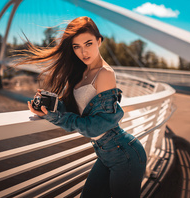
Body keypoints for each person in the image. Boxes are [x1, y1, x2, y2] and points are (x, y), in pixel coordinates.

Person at [17, 16, 147, 198]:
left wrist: (56, 118)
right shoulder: (81, 71)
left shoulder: (105, 74)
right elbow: (76, 110)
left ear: (99, 41)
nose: (83, 52)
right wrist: (49, 107)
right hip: (105, 153)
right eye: (76, 46)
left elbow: (96, 126)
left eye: (88, 43)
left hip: (125, 154)